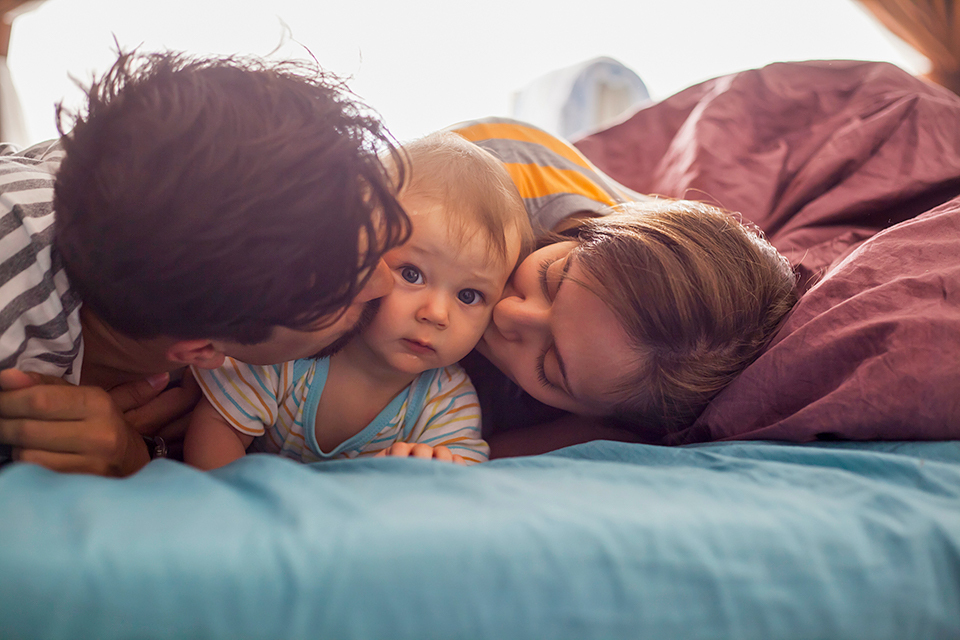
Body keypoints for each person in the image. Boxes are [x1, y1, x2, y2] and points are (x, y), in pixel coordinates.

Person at [0, 49, 411, 476]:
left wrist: (140, 453)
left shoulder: (138, 181)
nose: (385, 282)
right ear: (203, 350)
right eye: (344, 290)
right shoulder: (15, 271)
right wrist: (127, 464)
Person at [446, 118, 799, 454]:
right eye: (550, 279)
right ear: (592, 233)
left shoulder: (611, 396)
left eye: (549, 366)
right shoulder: (473, 181)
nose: (508, 314)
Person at [183, 132, 532, 468]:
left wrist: (435, 471)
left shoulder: (446, 401)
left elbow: (463, 481)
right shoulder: (292, 350)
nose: (437, 314)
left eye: (469, 295)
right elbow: (218, 428)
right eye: (411, 274)